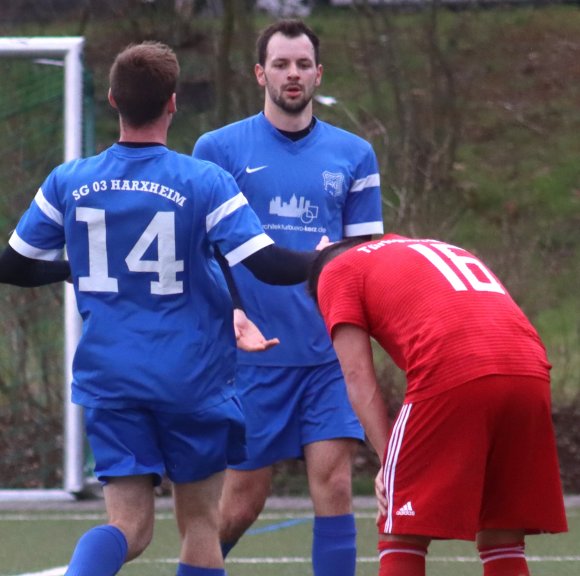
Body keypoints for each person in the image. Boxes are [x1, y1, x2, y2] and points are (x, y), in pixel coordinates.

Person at [0, 41, 323, 576]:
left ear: (111, 100)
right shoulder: (203, 181)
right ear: (173, 103)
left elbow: (11, 267)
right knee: (199, 522)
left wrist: (71, 269)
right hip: (190, 379)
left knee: (128, 528)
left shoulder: (69, 181)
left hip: (111, 378)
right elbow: (264, 265)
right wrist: (326, 260)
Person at [192, 19, 384, 575]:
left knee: (335, 483)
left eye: (303, 64)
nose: (293, 74)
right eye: (281, 64)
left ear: (318, 73)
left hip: (327, 353)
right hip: (251, 357)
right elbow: (200, 247)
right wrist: (227, 310)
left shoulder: (355, 154)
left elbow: (367, 259)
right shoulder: (218, 148)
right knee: (241, 504)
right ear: (260, 73)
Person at [307, 234, 569, 576]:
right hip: (529, 369)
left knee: (399, 530)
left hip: (455, 366)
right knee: (502, 533)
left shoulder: (335, 270)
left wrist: (391, 463)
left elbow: (357, 374)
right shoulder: (421, 246)